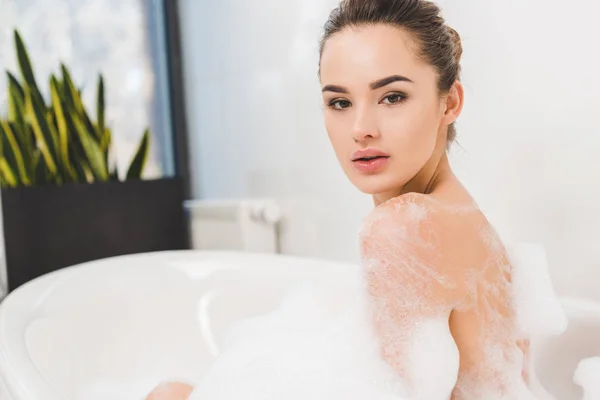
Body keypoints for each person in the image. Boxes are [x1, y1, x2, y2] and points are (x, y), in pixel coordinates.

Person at [146, 0, 564, 398]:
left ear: (449, 102)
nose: (361, 128)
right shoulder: (465, 218)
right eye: (340, 102)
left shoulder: (401, 229)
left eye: (392, 97)